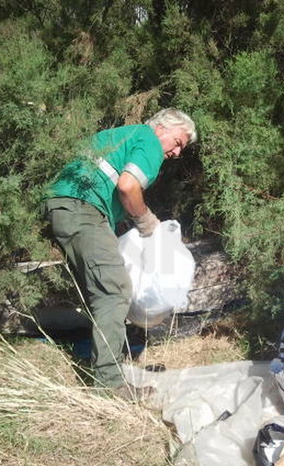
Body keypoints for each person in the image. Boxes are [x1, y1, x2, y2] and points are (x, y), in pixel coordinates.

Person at [44, 108, 197, 397]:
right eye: (178, 142)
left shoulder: (124, 135)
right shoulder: (149, 140)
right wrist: (146, 221)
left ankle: (105, 361)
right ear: (163, 127)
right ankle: (109, 384)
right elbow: (128, 187)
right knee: (114, 290)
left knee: (103, 286)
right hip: (82, 209)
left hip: (68, 205)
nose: (177, 153)